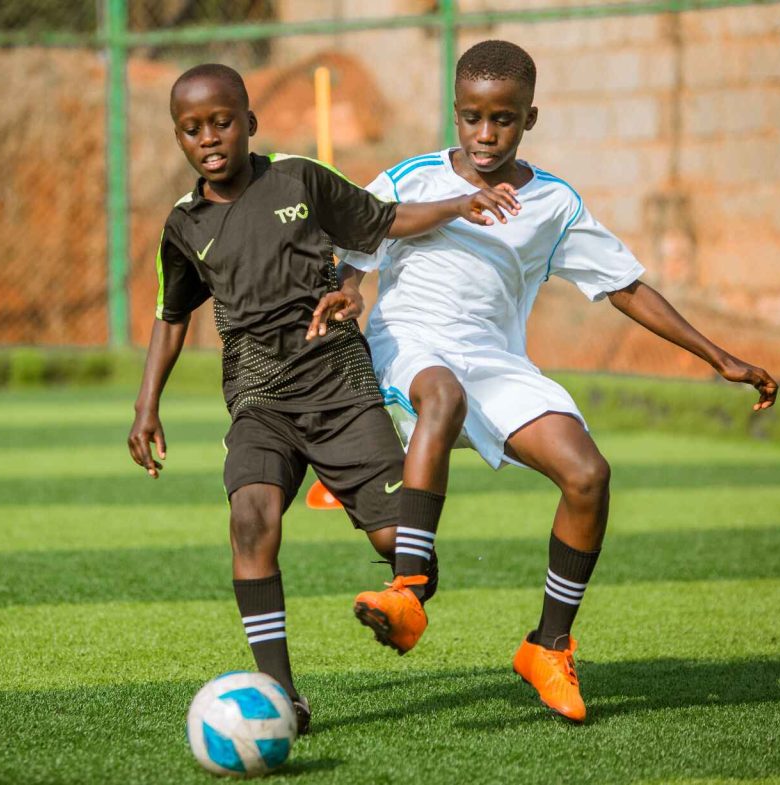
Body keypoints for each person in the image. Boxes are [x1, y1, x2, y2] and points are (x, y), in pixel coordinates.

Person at [324, 41, 778, 724]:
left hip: (496, 360)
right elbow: (354, 255)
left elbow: (624, 287)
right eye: (472, 117)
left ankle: (548, 646)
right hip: (408, 344)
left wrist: (718, 356)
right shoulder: (411, 179)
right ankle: (409, 589)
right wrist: (349, 292)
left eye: (502, 118)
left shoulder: (555, 203)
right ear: (455, 112)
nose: (485, 133)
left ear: (529, 117)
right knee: (441, 393)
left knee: (588, 473)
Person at [126, 63, 520, 735]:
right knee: (250, 520)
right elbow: (172, 316)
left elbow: (385, 220)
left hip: (338, 383)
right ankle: (282, 696)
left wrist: (458, 204)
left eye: (221, 122)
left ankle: (409, 591)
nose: (209, 138)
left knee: (403, 542)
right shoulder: (184, 226)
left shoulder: (298, 179)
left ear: (248, 123)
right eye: (192, 129)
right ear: (178, 139)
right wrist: (146, 405)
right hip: (258, 395)